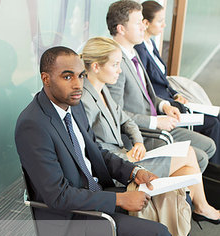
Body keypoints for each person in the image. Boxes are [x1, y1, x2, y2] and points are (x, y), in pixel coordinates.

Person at [15, 46, 206, 236]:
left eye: (79, 75)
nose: (78, 84)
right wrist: (120, 202)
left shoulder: (71, 106)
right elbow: (56, 195)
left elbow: (98, 154)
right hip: (73, 219)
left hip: (96, 195)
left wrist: (135, 170)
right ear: (45, 79)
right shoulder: (33, 125)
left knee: (172, 193)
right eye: (67, 77)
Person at [81, 37, 220, 225]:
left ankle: (172, 225)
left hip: (126, 155)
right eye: (115, 65)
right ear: (96, 67)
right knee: (187, 155)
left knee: (187, 171)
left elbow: (127, 121)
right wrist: (128, 157)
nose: (119, 70)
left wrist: (138, 141)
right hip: (117, 168)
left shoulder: (103, 90)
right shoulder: (84, 101)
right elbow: (94, 149)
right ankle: (199, 210)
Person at [106, 0, 216, 175]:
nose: (143, 27)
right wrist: (156, 122)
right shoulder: (114, 63)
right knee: (199, 156)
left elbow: (147, 94)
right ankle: (180, 197)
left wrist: (163, 105)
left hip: (155, 122)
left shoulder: (133, 53)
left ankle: (182, 193)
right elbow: (116, 113)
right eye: (138, 23)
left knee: (209, 145)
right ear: (121, 29)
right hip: (139, 134)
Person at [134, 0, 220, 165]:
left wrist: (176, 93)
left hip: (171, 100)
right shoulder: (139, 50)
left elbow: (163, 80)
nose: (164, 25)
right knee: (213, 125)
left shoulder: (150, 44)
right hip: (166, 108)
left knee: (218, 116)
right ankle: (214, 175)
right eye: (160, 21)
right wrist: (170, 101)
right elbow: (148, 88)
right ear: (145, 23)